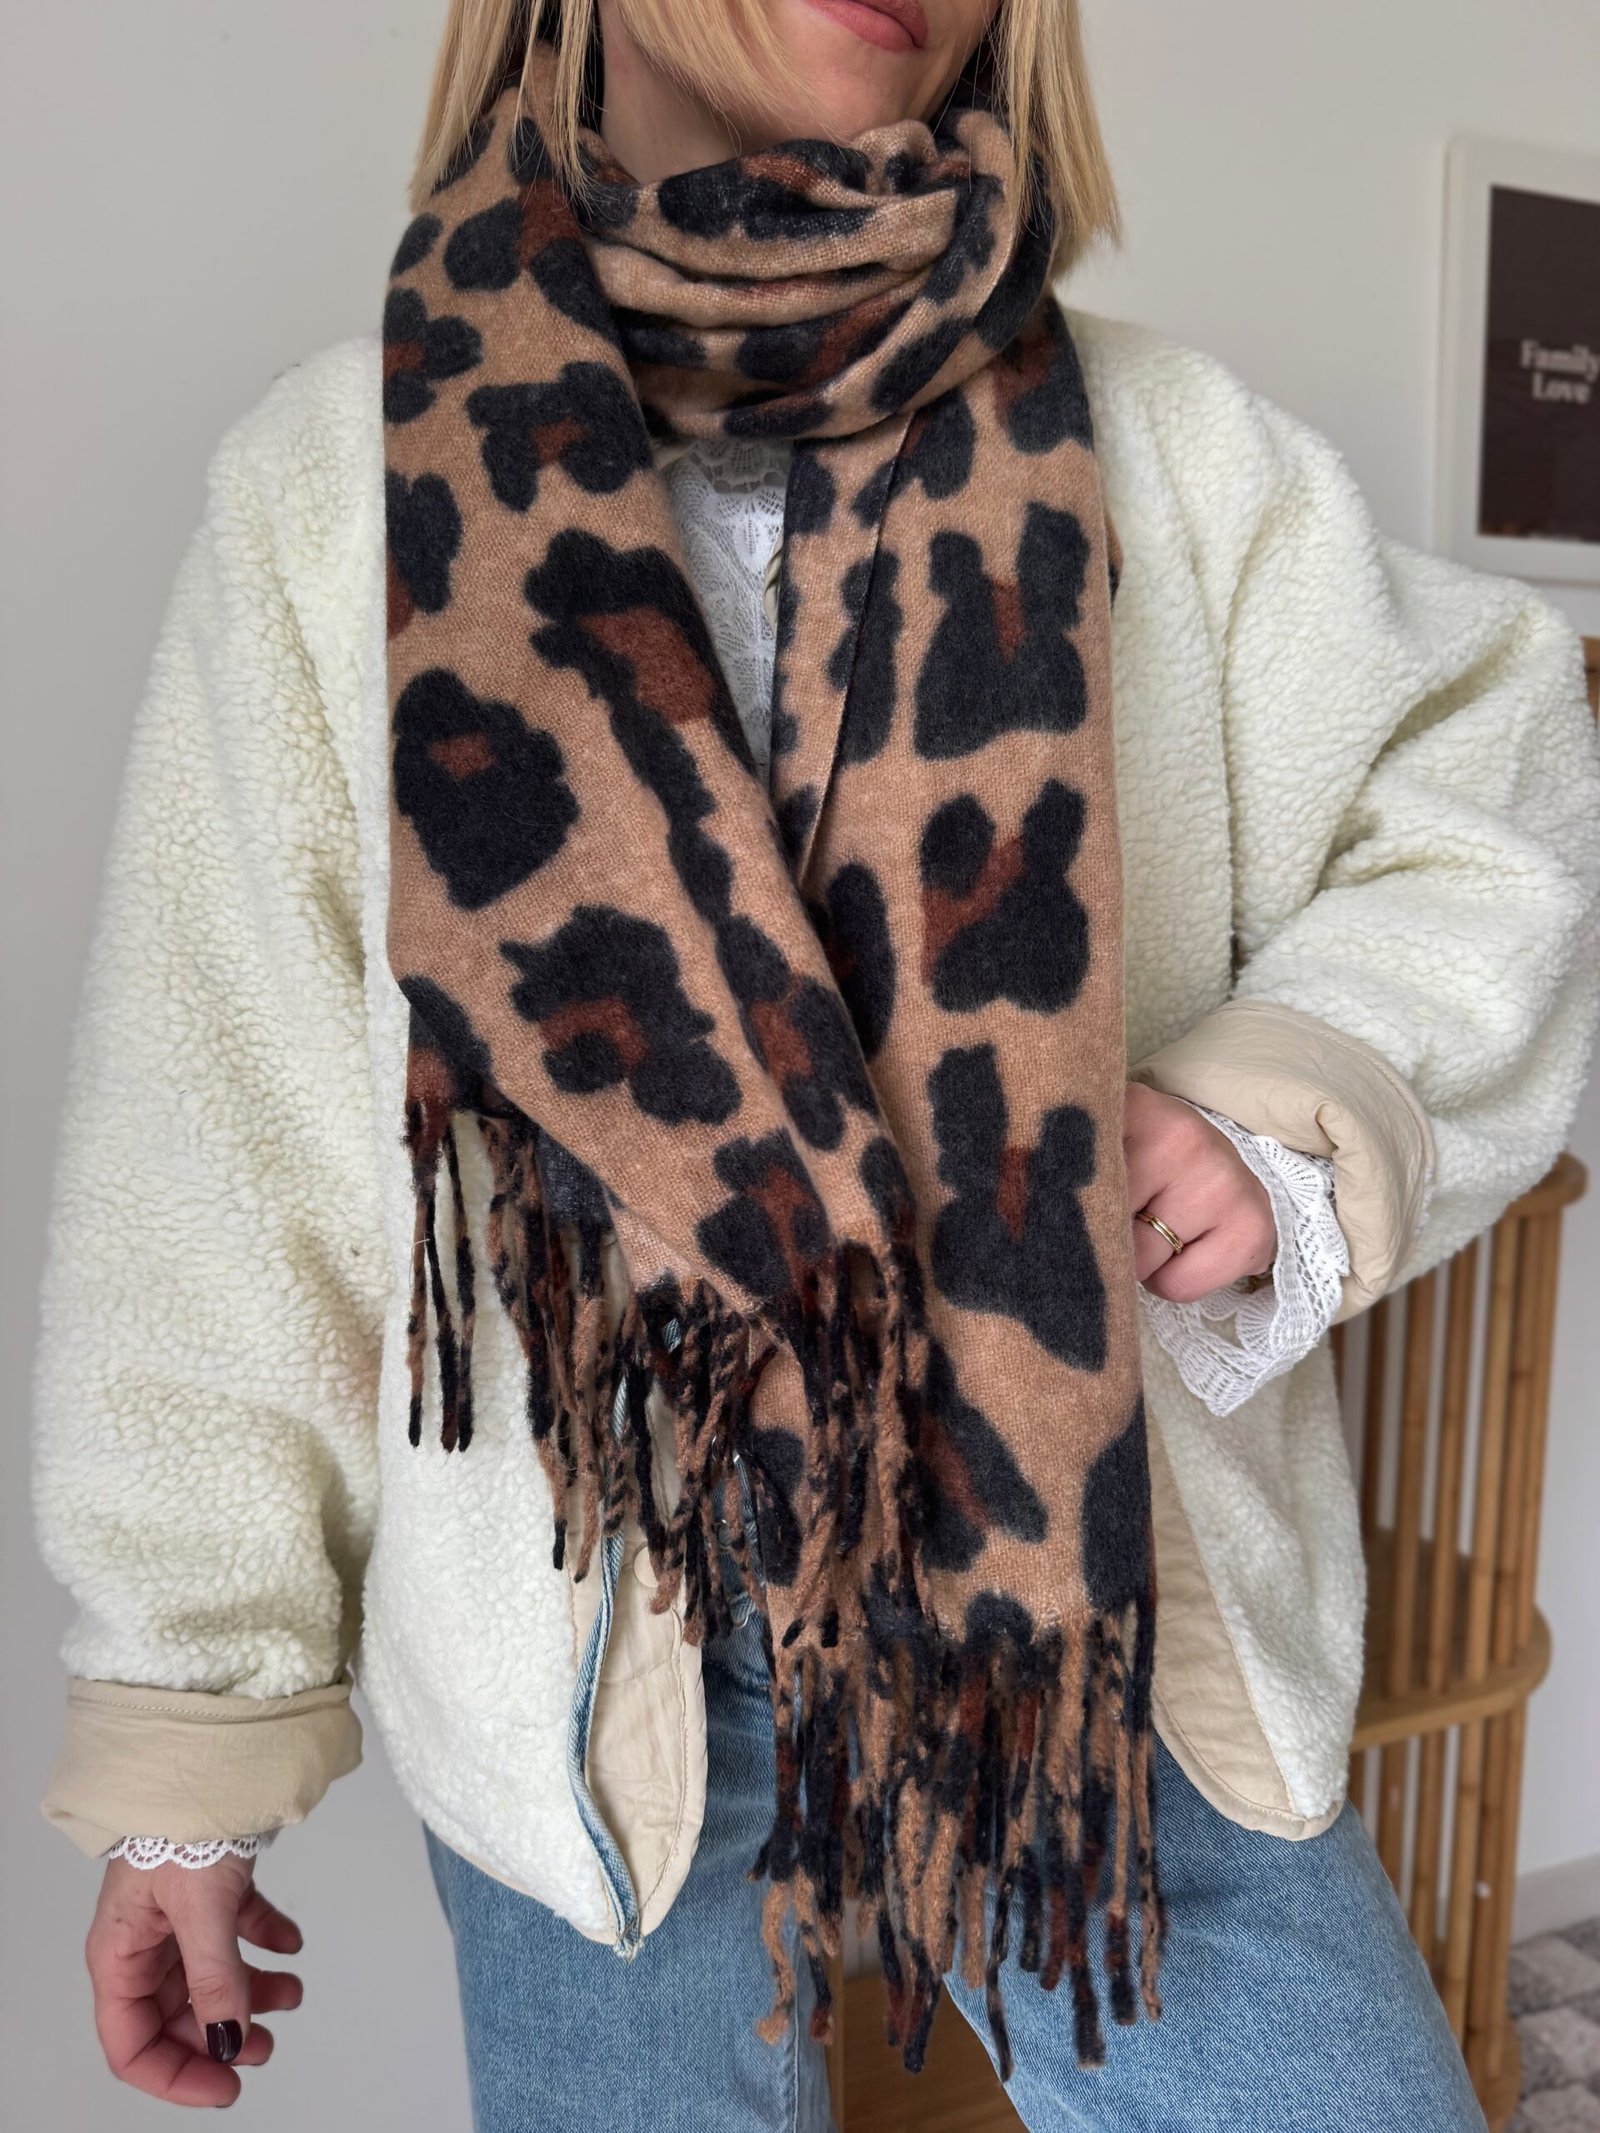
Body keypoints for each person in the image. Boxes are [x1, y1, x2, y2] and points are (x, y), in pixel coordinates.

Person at [31, 1, 1600, 2127]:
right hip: (593, 1656)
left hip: (1090, 1610)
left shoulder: (1166, 452)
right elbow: (216, 1143)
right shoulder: (341, 487)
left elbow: (1498, 782)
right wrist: (187, 1741)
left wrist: (1294, 1095)